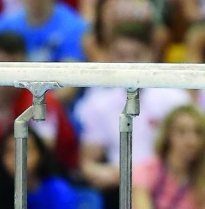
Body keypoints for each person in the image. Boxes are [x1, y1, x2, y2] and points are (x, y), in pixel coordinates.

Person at [77, 23, 192, 193]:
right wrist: (101, 172)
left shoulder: (176, 99)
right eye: (121, 56)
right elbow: (88, 162)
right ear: (110, 57)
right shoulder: (97, 102)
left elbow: (189, 154)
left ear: (151, 54)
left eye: (136, 55)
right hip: (118, 185)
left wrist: (142, 175)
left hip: (166, 183)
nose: (129, 63)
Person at [0, 32, 79, 176]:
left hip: (50, 175)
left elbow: (40, 153)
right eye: (0, 67)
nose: (7, 76)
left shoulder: (40, 99)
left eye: (13, 68)